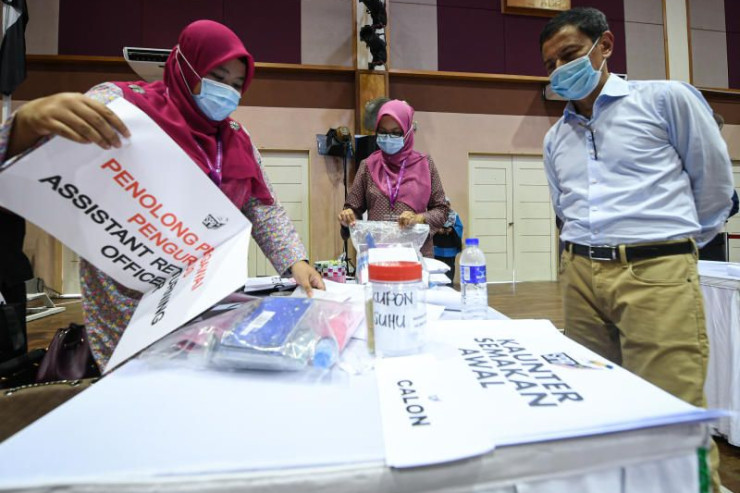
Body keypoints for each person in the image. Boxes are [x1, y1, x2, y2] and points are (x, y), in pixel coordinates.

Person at [1, 20, 325, 369]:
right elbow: (39, 160)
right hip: (128, 304)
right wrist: (25, 126)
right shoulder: (124, 106)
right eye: (217, 76)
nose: (227, 92)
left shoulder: (235, 137)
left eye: (236, 85)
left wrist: (296, 261)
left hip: (204, 299)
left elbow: (263, 208)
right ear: (186, 65)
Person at [540, 8, 732, 491]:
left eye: (569, 55)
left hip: (656, 272)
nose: (560, 70)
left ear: (605, 46)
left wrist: (670, 249)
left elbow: (714, 188)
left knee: (671, 411)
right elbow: (564, 209)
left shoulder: (665, 100)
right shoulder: (555, 136)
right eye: (549, 65)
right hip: (581, 277)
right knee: (596, 403)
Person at [338, 99, 449, 257]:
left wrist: (418, 218)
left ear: (408, 132)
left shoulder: (425, 164)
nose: (388, 137)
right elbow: (352, 209)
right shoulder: (368, 166)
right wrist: (347, 217)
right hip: (377, 255)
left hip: (416, 255)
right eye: (383, 131)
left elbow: (442, 210)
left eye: (396, 133)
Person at [433, 204, 463, 282]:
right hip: (437, 246)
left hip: (450, 245)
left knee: (450, 265)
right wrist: (437, 229)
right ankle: (438, 284)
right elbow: (430, 226)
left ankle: (449, 284)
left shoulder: (454, 215)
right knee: (437, 265)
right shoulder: (434, 214)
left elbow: (459, 227)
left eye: (447, 204)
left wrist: (452, 229)